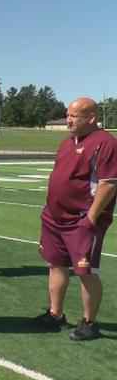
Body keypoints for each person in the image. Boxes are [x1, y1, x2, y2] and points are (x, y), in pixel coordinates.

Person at [36, 97, 117, 341]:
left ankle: (89, 322)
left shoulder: (105, 143)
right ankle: (55, 314)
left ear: (91, 118)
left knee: (85, 271)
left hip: (82, 219)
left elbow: (109, 183)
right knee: (56, 264)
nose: (69, 120)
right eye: (67, 115)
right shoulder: (67, 143)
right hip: (55, 216)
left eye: (74, 116)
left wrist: (91, 219)